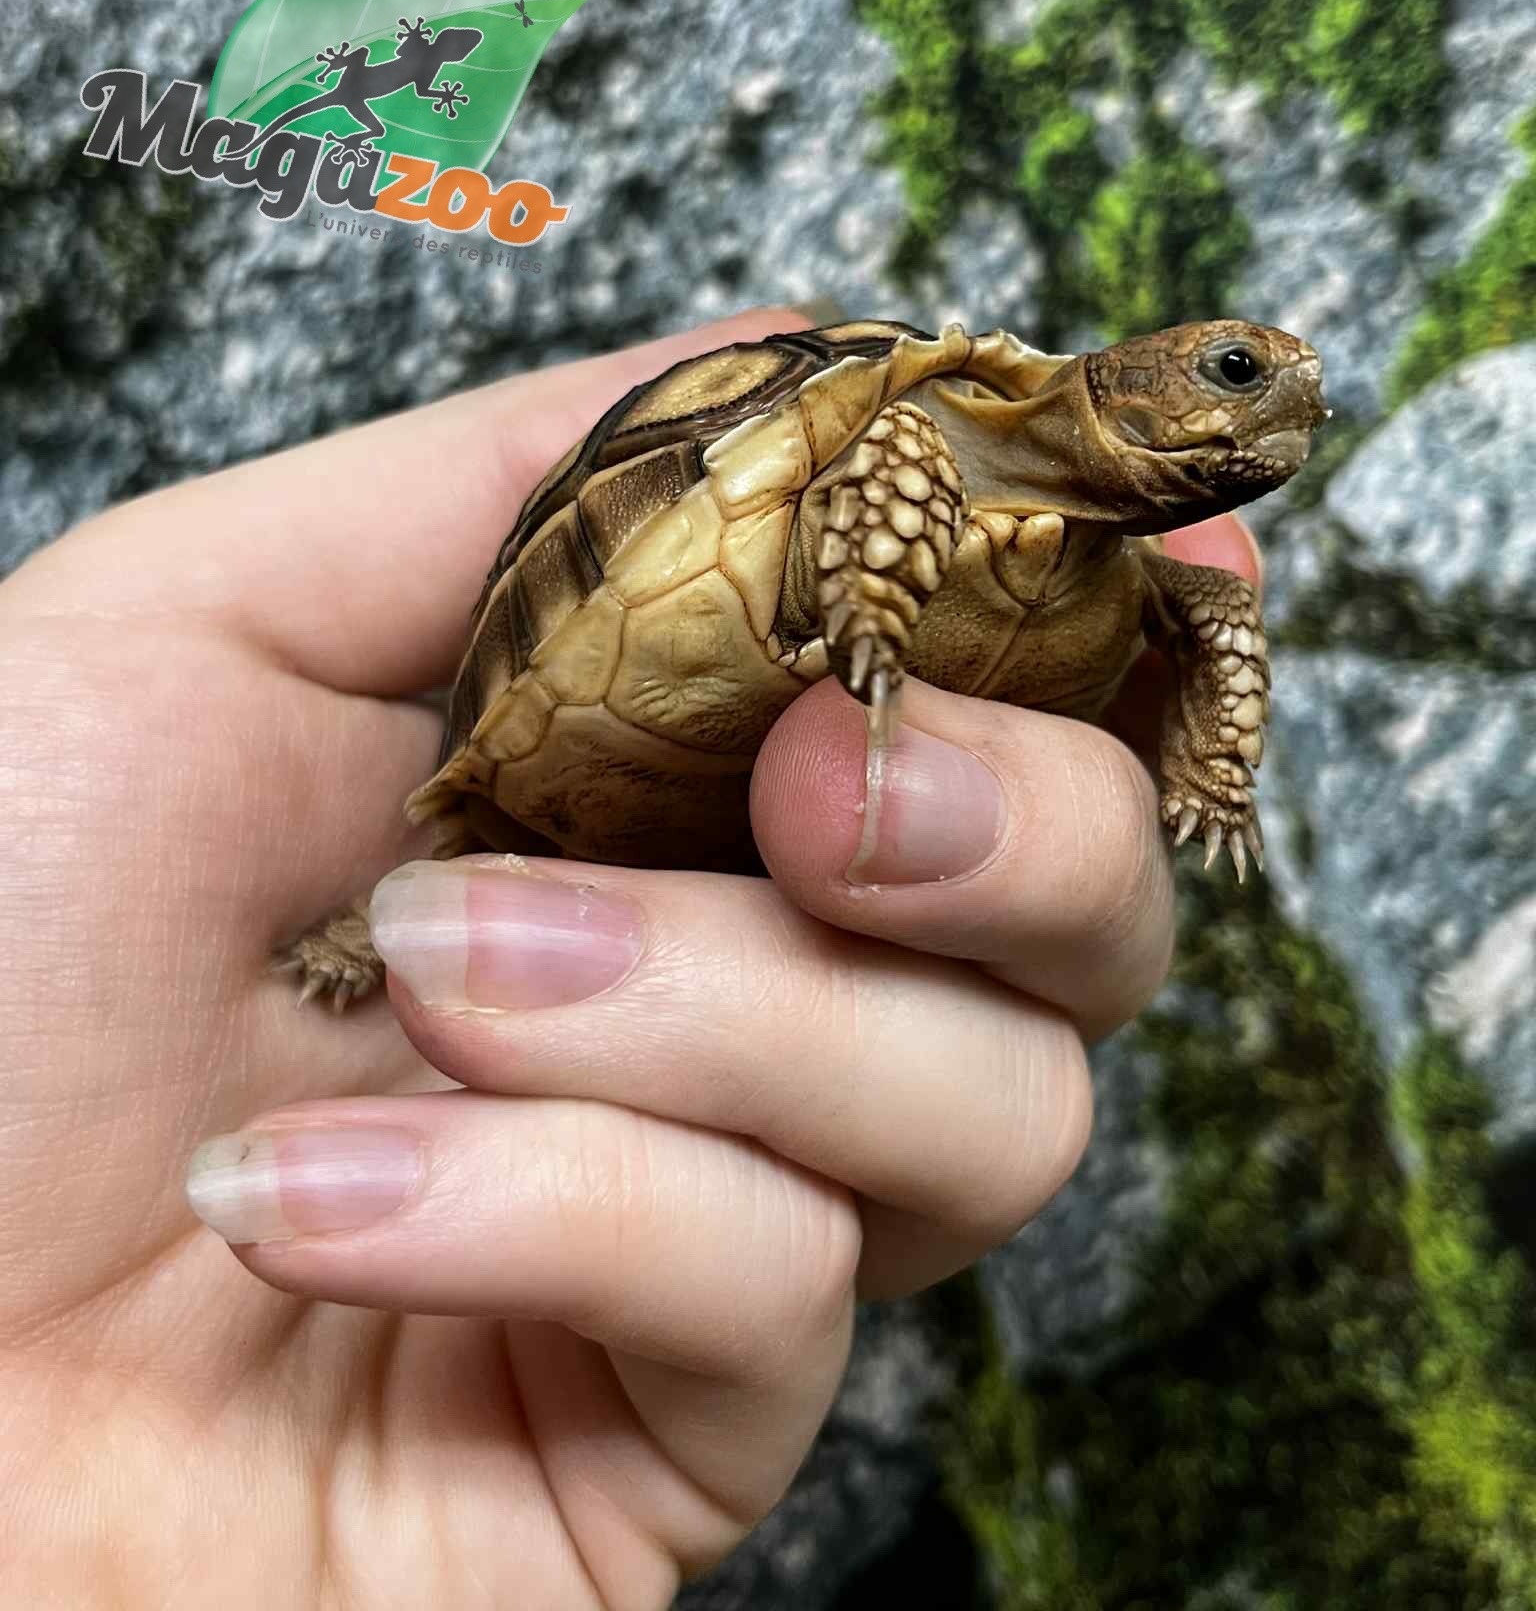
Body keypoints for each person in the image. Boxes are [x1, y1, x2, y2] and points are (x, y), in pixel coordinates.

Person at [0, 306, 1257, 1606]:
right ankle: (375, 927)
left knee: (682, 889)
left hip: (763, 872)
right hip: (654, 670)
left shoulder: (1155, 591)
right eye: (1234, 373)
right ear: (1126, 382)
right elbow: (889, 466)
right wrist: (870, 604)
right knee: (492, 860)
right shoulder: (921, 430)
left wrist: (1212, 768)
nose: (1280, 403)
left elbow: (1218, 625)